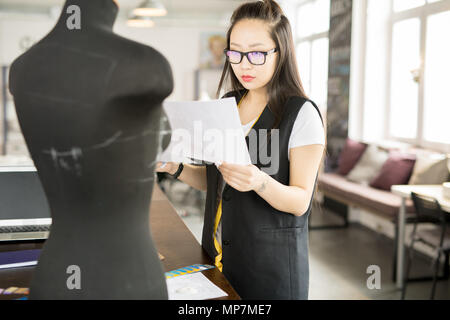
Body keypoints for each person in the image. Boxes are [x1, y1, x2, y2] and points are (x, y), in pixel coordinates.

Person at [156, 0, 325, 299]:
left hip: (270, 270)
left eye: (257, 53)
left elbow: (300, 201)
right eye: (235, 52)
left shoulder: (301, 114)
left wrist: (259, 181)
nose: (244, 64)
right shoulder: (228, 104)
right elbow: (217, 182)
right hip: (218, 256)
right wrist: (176, 167)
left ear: (280, 51)